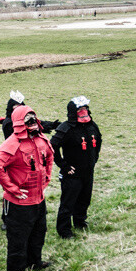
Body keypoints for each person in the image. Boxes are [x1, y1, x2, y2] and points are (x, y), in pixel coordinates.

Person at [0, 105, 54, 271]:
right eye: (28, 121)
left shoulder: (41, 139)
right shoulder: (12, 144)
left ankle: (35, 261)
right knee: (18, 239)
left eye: (34, 119)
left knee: (39, 232)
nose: (33, 124)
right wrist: (12, 188)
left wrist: (47, 177)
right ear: (20, 123)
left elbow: (50, 156)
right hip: (19, 203)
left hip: (38, 199)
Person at [50, 96, 102, 239]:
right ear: (73, 112)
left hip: (88, 171)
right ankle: (64, 230)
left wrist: (94, 158)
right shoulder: (66, 128)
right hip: (72, 174)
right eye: (80, 109)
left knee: (84, 199)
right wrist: (63, 165)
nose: (83, 112)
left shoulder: (92, 125)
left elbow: (99, 139)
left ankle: (80, 221)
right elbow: (52, 146)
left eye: (85, 109)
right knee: (68, 203)